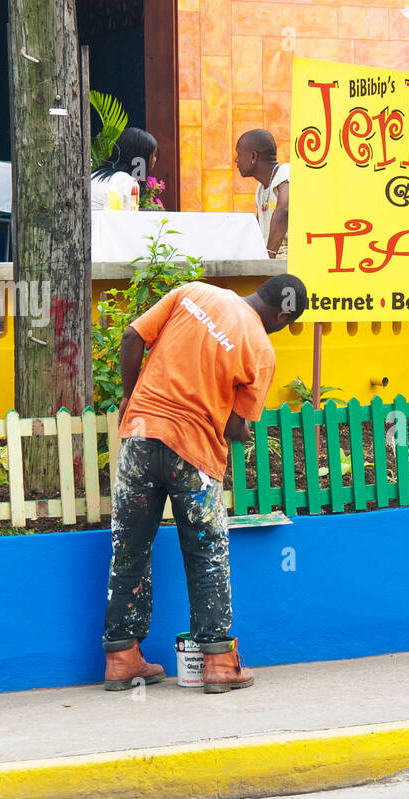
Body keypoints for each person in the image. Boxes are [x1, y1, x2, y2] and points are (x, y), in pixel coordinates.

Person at [102, 274, 308, 692]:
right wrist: (245, 432)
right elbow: (235, 426)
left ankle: (122, 658)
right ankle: (217, 664)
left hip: (140, 437)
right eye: (288, 323)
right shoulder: (262, 351)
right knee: (206, 555)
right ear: (284, 313)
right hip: (193, 457)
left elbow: (131, 337)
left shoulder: (193, 292)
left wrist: (128, 397)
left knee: (130, 548)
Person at [234, 129, 289, 258]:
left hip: (288, 262)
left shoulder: (285, 173)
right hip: (271, 261)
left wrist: (268, 257)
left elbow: (284, 210)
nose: (236, 160)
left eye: (239, 154)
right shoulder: (261, 189)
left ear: (253, 156)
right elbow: (258, 231)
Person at [92, 127, 158, 210]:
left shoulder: (95, 175)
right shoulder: (125, 181)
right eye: (154, 155)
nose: (154, 160)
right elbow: (125, 219)